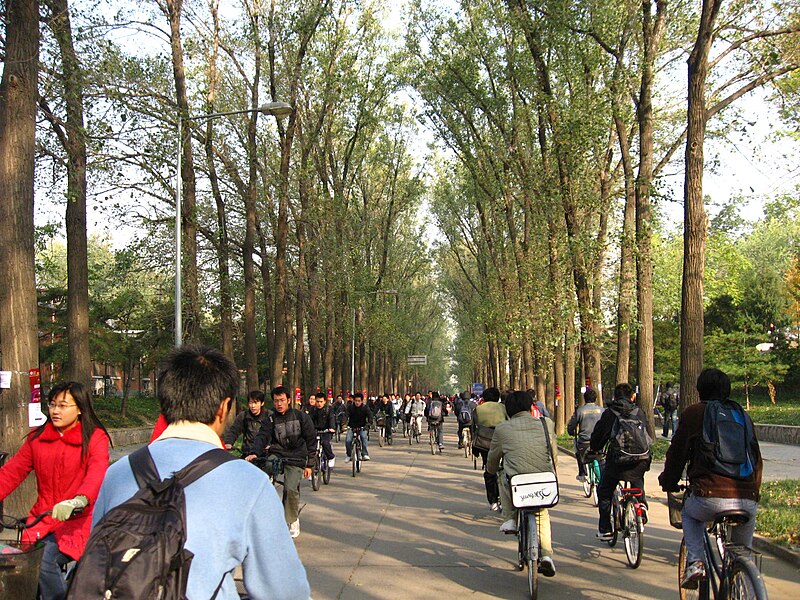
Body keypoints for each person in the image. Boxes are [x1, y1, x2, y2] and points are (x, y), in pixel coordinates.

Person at [94, 347, 309, 598]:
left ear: (165, 400)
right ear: (224, 407)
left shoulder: (117, 473)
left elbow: (91, 564)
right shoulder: (248, 482)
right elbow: (284, 590)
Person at [0, 382, 110, 600]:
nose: (55, 411)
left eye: (63, 405)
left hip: (79, 521)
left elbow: (97, 474)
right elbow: (11, 473)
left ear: (79, 408)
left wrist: (79, 500)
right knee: (19, 568)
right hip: (41, 520)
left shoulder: (95, 438)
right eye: (52, 405)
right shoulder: (37, 439)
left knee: (43, 560)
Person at [659, 368, 763, 589]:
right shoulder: (742, 415)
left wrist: (668, 482)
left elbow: (677, 454)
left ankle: (696, 562)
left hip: (708, 496)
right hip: (747, 499)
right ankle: (743, 578)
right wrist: (754, 492)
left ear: (699, 391)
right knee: (740, 553)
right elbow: (756, 458)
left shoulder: (694, 413)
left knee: (689, 514)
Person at [485, 390, 557, 577]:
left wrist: (490, 472)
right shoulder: (546, 424)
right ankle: (547, 556)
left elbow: (493, 459)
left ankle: (509, 518)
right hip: (543, 480)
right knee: (542, 514)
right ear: (530, 406)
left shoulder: (502, 429)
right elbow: (554, 454)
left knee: (501, 474)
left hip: (516, 483)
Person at [246, 385, 316, 539]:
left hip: (296, 457)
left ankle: (292, 519)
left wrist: (310, 464)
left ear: (289, 400)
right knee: (266, 469)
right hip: (277, 454)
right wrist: (254, 453)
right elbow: (262, 437)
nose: (279, 404)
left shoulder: (301, 417)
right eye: (276, 401)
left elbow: (311, 440)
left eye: (282, 400)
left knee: (290, 488)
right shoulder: (270, 420)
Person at [590, 382, 651, 540]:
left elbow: (598, 438)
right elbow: (648, 435)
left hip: (617, 462)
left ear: (615, 397)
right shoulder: (640, 412)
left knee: (604, 492)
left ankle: (605, 529)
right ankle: (641, 505)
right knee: (637, 480)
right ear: (632, 396)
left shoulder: (610, 413)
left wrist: (594, 449)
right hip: (641, 461)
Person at [473, 387, 508, 511]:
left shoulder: (478, 409)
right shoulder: (503, 408)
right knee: (505, 468)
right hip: (503, 441)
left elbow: (474, 428)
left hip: (484, 443)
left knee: (489, 471)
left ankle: (493, 500)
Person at [566, 388, 605, 481]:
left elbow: (572, 425)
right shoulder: (602, 410)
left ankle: (582, 473)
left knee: (578, 451)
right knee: (602, 459)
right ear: (596, 399)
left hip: (584, 442)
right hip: (600, 442)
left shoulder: (580, 411)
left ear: (585, 399)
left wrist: (571, 431)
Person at [222, 390, 270, 455]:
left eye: (256, 403)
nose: (253, 406)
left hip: (265, 452)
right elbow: (234, 430)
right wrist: (228, 442)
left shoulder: (269, 416)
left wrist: (270, 445)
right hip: (247, 451)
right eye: (250, 403)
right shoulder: (243, 416)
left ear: (262, 403)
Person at [309, 394, 336, 468]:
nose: (319, 403)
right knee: (311, 447)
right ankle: (312, 469)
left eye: (321, 401)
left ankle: (331, 457)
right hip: (315, 430)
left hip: (326, 431)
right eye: (317, 401)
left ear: (324, 401)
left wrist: (332, 428)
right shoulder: (313, 410)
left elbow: (331, 419)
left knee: (325, 443)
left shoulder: (329, 409)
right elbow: (309, 420)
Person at [345, 392, 372, 462]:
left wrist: (368, 425)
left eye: (359, 401)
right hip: (352, 426)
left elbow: (370, 416)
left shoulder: (365, 408)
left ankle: (365, 454)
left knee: (363, 437)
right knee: (348, 440)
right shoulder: (350, 407)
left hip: (363, 426)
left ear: (362, 401)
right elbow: (346, 416)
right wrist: (343, 424)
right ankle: (349, 455)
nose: (357, 402)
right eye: (356, 401)